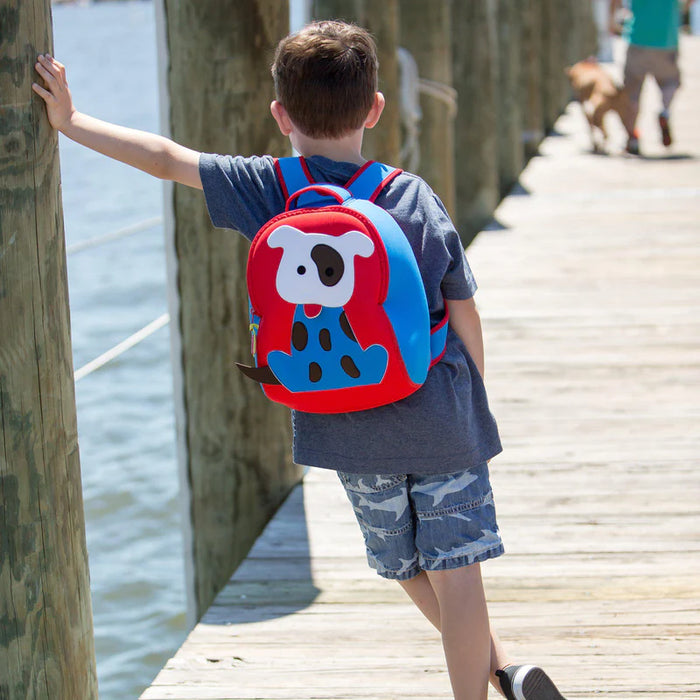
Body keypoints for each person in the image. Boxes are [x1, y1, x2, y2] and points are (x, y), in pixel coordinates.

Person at [33, 21, 567, 700]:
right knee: (458, 569)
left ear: (280, 114)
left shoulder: (268, 189)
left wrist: (71, 120)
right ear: (375, 109)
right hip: (438, 413)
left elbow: (166, 158)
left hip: (343, 421)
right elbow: (462, 308)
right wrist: (474, 400)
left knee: (404, 564)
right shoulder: (411, 196)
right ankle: (489, 679)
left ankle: (503, 670)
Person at [610, 0, 692, 155]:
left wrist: (612, 21)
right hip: (666, 40)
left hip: (637, 39)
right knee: (670, 83)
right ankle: (665, 111)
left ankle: (632, 139)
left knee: (632, 94)